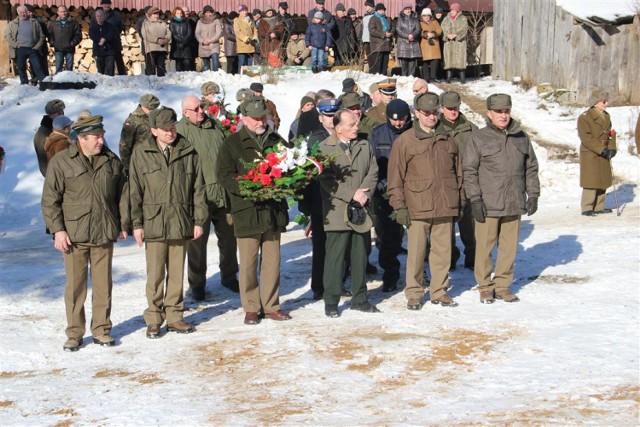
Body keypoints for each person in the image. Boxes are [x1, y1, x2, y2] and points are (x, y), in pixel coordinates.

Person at [41, 115, 127, 351]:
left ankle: (101, 329)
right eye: (96, 138)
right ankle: (75, 333)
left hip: (103, 232)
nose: (100, 141)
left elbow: (123, 194)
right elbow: (50, 200)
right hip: (74, 235)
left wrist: (123, 223)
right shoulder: (62, 162)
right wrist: (58, 230)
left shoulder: (111, 161)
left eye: (101, 136)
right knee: (76, 287)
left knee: (103, 286)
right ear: (81, 138)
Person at [129, 107, 207, 338]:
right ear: (154, 130)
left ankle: (175, 316)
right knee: (155, 275)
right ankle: (153, 317)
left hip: (181, 219)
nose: (170, 132)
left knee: (176, 272)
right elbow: (134, 190)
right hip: (153, 222)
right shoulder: (141, 153)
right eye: (164, 129)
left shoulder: (188, 150)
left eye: (172, 127)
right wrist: (136, 224)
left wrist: (199, 220)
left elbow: (198, 189)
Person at [217, 96, 293, 325]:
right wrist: (248, 187)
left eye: (264, 117)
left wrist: (281, 183)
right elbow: (223, 175)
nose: (261, 122)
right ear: (244, 119)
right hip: (246, 209)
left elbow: (290, 166)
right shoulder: (232, 143)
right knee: (248, 263)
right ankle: (251, 307)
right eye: (256, 118)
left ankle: (271, 305)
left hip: (273, 210)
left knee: (272, 260)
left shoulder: (275, 139)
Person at [387, 92, 464, 310]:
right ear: (417, 113)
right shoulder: (405, 141)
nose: (431, 117)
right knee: (417, 252)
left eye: (434, 112)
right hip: (417, 206)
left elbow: (459, 174)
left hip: (444, 204)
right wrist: (399, 206)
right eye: (426, 113)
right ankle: (414, 292)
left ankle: (439, 291)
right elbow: (395, 178)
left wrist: (460, 201)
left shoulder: (449, 138)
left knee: (442, 252)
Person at [463, 93, 540, 303]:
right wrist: (475, 199)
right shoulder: (478, 138)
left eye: (506, 111)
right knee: (485, 248)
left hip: (514, 201)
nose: (503, 115)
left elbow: (531, 168)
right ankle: (485, 286)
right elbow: (469, 171)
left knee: (508, 248)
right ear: (489, 114)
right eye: (498, 112)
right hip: (488, 204)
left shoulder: (521, 137)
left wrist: (533, 194)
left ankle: (503, 285)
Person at [318, 109, 380, 317]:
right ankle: (331, 301)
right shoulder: (325, 148)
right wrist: (352, 194)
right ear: (338, 128)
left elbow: (373, 171)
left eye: (356, 123)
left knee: (360, 255)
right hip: (337, 212)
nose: (356, 127)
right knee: (335, 258)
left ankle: (360, 298)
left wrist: (364, 193)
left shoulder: (364, 145)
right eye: (351, 124)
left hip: (362, 209)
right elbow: (327, 181)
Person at [177, 95, 239, 300]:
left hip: (222, 192)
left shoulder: (215, 126)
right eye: (196, 109)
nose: (201, 111)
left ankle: (229, 276)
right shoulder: (179, 131)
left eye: (202, 107)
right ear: (186, 112)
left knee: (229, 238)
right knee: (197, 243)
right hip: (198, 196)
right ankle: (197, 284)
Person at [298, 98, 342, 300]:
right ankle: (319, 286)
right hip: (320, 200)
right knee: (322, 246)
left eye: (334, 115)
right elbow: (310, 173)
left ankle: (335, 282)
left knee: (338, 244)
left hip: (340, 199)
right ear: (320, 117)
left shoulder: (343, 135)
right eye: (328, 116)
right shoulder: (316, 138)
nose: (332, 119)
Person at [369, 99, 413, 292]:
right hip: (386, 193)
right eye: (393, 120)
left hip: (413, 192)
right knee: (388, 237)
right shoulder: (378, 134)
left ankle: (420, 274)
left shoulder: (416, 133)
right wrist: (382, 186)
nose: (397, 124)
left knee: (419, 236)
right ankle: (390, 275)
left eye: (401, 120)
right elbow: (373, 165)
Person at [435, 91, 477, 270]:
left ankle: (472, 256)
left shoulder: (470, 128)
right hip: (444, 182)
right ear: (442, 108)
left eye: (456, 108)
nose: (453, 112)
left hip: (466, 180)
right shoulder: (436, 128)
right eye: (449, 108)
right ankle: (449, 257)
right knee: (446, 222)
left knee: (468, 221)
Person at [578, 89, 618, 216]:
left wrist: (612, 148)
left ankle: (599, 206)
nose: (605, 104)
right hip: (590, 153)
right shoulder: (585, 117)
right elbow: (586, 138)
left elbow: (611, 134)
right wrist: (601, 149)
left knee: (603, 179)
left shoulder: (606, 116)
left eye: (606, 101)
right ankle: (587, 207)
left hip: (604, 152)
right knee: (591, 180)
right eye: (603, 102)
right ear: (595, 103)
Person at [118, 93, 160, 176]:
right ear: (143, 106)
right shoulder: (132, 121)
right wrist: (127, 167)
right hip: (140, 163)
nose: (153, 110)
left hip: (156, 160)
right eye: (151, 108)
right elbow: (124, 146)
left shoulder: (156, 117)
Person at [4, 5, 46, 85]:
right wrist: (15, 45)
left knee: (37, 66)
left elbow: (42, 36)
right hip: (20, 48)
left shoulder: (34, 22)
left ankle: (44, 83)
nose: (23, 14)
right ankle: (24, 83)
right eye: (21, 12)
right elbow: (7, 36)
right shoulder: (13, 23)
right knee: (21, 67)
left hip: (33, 48)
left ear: (27, 12)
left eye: (24, 12)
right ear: (18, 13)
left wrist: (37, 46)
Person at [34, 99, 65, 177]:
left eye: (63, 112)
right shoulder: (43, 134)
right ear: (50, 115)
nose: (62, 115)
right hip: (54, 176)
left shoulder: (57, 128)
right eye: (59, 113)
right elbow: (46, 163)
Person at [48, 6, 82, 73]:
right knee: (58, 69)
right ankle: (58, 83)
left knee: (69, 70)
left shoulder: (73, 23)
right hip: (58, 49)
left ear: (67, 12)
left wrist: (72, 44)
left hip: (69, 49)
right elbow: (50, 35)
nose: (63, 13)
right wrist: (53, 43)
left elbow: (78, 35)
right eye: (61, 12)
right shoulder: (53, 23)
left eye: (65, 11)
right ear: (58, 12)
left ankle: (69, 83)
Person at [441, 3, 468, 83]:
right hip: (449, 43)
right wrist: (447, 35)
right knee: (448, 60)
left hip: (459, 43)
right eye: (452, 10)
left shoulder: (463, 18)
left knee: (460, 61)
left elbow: (464, 29)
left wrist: (456, 35)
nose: (453, 11)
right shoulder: (446, 19)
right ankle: (448, 78)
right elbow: (442, 28)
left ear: (458, 11)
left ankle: (462, 79)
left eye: (454, 10)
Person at [140, 7, 171, 77]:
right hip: (151, 49)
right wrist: (157, 40)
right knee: (150, 68)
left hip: (162, 49)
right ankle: (151, 84)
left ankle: (162, 82)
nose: (156, 16)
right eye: (154, 14)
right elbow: (145, 35)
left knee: (161, 67)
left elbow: (168, 33)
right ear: (150, 15)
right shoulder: (146, 23)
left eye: (157, 14)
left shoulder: (162, 23)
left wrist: (166, 39)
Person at [99, 0, 127, 75]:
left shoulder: (116, 15)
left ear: (110, 5)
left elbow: (120, 27)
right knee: (107, 64)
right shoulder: (98, 14)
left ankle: (123, 78)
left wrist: (114, 35)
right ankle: (107, 79)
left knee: (119, 61)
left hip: (115, 41)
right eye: (104, 4)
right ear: (101, 5)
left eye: (108, 4)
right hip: (103, 43)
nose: (106, 5)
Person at [395, 4, 421, 77]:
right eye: (406, 9)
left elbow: (418, 29)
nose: (408, 10)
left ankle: (411, 79)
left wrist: (413, 35)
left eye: (409, 9)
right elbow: (398, 29)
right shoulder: (400, 19)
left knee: (412, 62)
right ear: (403, 10)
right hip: (403, 43)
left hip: (413, 43)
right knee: (404, 63)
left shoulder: (415, 19)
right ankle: (404, 79)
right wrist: (407, 36)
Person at [89, 8, 117, 76]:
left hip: (109, 50)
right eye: (98, 16)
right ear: (95, 17)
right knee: (100, 70)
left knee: (110, 70)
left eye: (101, 16)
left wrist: (105, 39)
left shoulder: (110, 26)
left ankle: (110, 85)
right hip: (98, 50)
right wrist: (99, 40)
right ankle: (101, 85)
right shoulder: (93, 27)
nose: (99, 17)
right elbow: (92, 35)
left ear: (104, 16)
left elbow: (112, 34)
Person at [195, 5, 223, 72]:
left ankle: (216, 75)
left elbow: (219, 32)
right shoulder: (200, 22)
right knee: (206, 66)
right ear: (204, 13)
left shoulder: (216, 21)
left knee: (215, 59)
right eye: (207, 12)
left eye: (210, 12)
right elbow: (197, 33)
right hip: (203, 46)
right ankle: (207, 78)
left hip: (213, 44)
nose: (209, 14)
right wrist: (202, 41)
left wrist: (211, 40)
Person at [368, 3, 392, 76]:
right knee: (377, 67)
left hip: (386, 45)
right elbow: (372, 31)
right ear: (377, 10)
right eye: (380, 10)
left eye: (383, 10)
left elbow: (392, 27)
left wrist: (391, 33)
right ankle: (377, 82)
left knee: (385, 66)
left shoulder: (387, 19)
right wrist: (384, 34)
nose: (382, 11)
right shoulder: (373, 19)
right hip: (377, 46)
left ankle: (384, 81)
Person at [419, 7, 442, 82]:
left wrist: (433, 34)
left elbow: (439, 30)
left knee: (435, 60)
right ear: (422, 16)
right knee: (425, 61)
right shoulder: (420, 23)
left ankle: (433, 76)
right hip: (424, 43)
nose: (426, 17)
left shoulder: (434, 22)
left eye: (428, 15)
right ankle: (426, 77)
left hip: (434, 43)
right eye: (424, 15)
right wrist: (425, 34)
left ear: (430, 16)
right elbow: (418, 31)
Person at [169, 7, 196, 72]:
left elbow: (189, 32)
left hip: (186, 46)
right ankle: (179, 78)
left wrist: (184, 42)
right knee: (178, 63)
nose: (179, 14)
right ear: (174, 14)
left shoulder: (186, 22)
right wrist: (181, 41)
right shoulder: (172, 23)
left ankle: (187, 77)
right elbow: (173, 34)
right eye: (177, 13)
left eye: (181, 13)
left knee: (187, 62)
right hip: (177, 46)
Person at [234, 4, 259, 71]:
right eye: (242, 11)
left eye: (245, 11)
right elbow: (238, 32)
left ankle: (249, 77)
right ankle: (241, 77)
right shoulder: (237, 20)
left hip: (250, 45)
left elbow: (255, 30)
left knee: (249, 64)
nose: (244, 12)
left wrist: (255, 38)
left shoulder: (250, 20)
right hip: (242, 45)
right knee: (242, 64)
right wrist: (246, 38)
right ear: (239, 12)